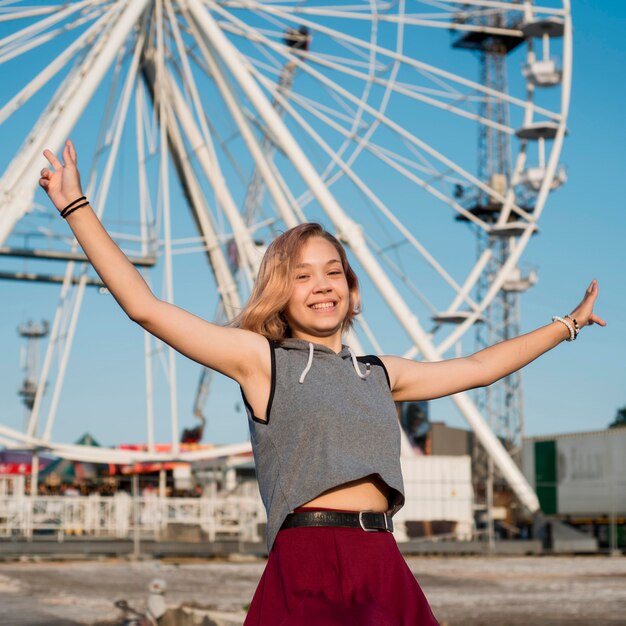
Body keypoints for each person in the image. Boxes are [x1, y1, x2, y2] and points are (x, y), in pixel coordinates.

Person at [39, 139, 605, 625]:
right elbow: (146, 308)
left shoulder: (378, 373)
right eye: (302, 276)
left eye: (333, 272)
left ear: (352, 289)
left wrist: (566, 325)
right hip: (308, 558)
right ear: (280, 293)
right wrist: (76, 206)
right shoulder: (262, 361)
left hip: (380, 557)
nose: (322, 285)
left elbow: (479, 369)